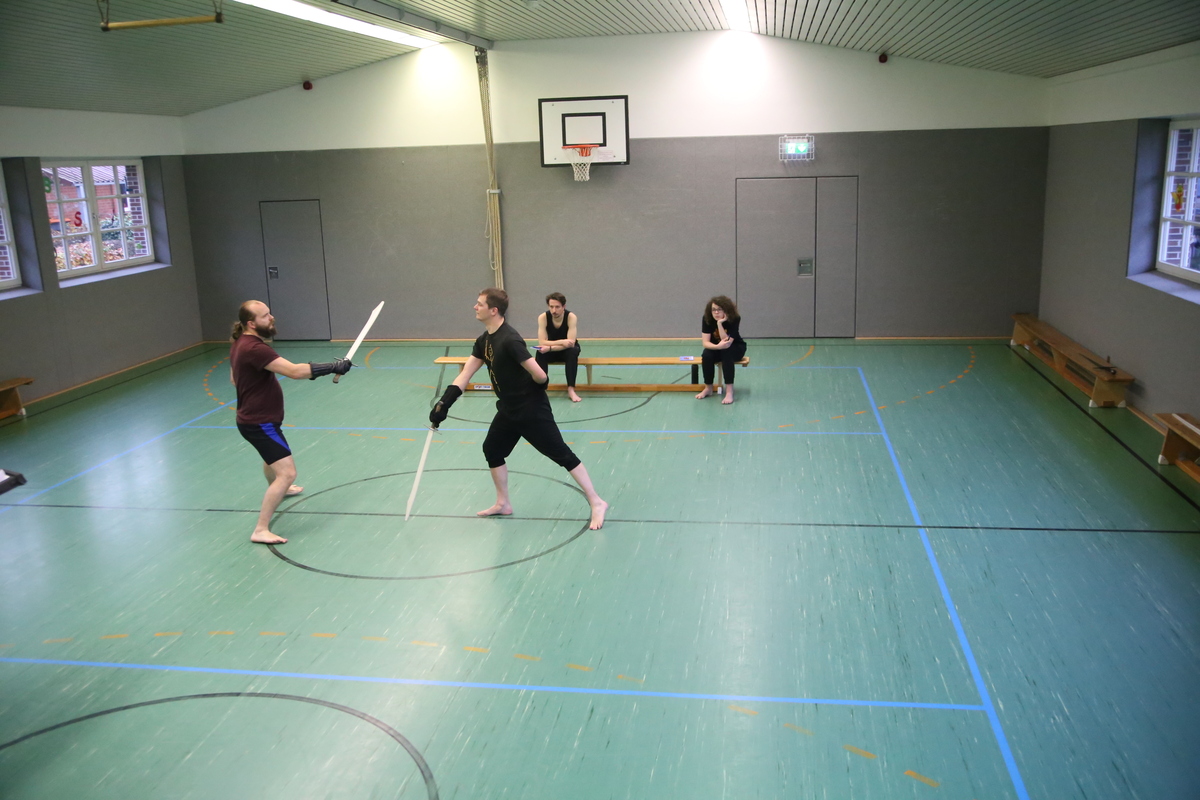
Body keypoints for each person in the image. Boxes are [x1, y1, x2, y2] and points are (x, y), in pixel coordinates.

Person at [429, 288, 608, 530]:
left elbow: (540, 375)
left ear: (494, 310)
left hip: (531, 410)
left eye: (479, 304)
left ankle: (597, 502)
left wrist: (536, 388)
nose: (475, 307)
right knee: (492, 449)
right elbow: (466, 374)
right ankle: (503, 503)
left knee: (562, 454)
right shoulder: (484, 340)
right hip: (508, 409)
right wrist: (444, 403)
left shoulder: (510, 340)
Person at [229, 300, 351, 544]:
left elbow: (234, 379)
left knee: (271, 458)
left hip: (256, 419)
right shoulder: (255, 349)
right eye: (265, 316)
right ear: (251, 323)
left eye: (269, 313)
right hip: (259, 422)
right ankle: (260, 529)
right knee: (287, 473)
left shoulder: (241, 343)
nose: (271, 317)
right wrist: (332, 367)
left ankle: (279, 489)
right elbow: (294, 371)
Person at [695, 295, 746, 405]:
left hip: (736, 347)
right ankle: (708, 387)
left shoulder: (735, 318)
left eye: (719, 309)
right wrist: (717, 347)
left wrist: (719, 323)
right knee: (707, 355)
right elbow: (705, 343)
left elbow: (726, 342)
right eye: (713, 309)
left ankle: (729, 391)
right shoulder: (707, 318)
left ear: (726, 310)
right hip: (717, 347)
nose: (716, 312)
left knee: (726, 353)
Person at [535, 292, 582, 402]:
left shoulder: (571, 317)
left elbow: (570, 343)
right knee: (540, 352)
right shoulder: (543, 317)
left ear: (564, 306)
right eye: (551, 307)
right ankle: (540, 389)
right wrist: (561, 342)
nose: (554, 310)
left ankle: (571, 389)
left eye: (557, 307)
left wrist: (551, 347)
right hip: (552, 349)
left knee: (572, 351)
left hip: (566, 351)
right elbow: (542, 342)